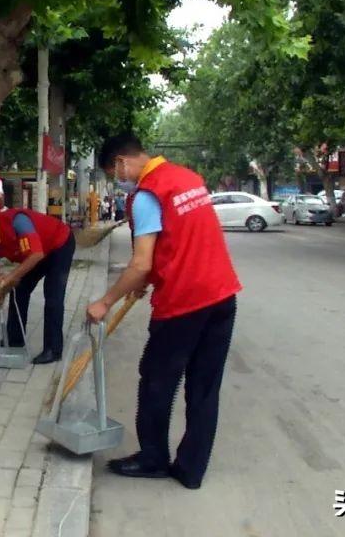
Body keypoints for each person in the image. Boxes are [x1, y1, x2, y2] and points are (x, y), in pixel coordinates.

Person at [86, 134, 242, 490]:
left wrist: (104, 302)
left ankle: (153, 458)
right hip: (221, 294)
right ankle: (191, 470)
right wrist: (150, 277)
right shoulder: (188, 178)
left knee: (157, 380)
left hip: (184, 301)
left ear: (121, 163)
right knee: (204, 386)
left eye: (114, 173)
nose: (118, 179)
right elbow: (179, 239)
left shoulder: (147, 195)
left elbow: (140, 262)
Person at [0, 209, 75, 364]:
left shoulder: (18, 222)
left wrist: (11, 277)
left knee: (53, 296)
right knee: (18, 289)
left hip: (59, 245)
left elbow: (36, 255)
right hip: (35, 254)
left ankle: (53, 349)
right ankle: (15, 338)